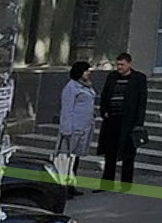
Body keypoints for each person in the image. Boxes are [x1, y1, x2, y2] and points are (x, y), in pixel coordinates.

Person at [98, 52, 148, 191]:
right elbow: (104, 95)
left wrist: (138, 123)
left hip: (129, 122)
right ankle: (107, 184)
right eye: (117, 64)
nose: (119, 67)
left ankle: (125, 185)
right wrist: (104, 111)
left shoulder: (139, 78)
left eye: (122, 64)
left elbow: (142, 102)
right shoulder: (112, 77)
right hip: (111, 120)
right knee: (110, 153)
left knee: (128, 155)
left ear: (129, 64)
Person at [56, 61, 97, 197]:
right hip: (73, 128)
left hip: (84, 128)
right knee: (67, 159)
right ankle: (64, 187)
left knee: (75, 158)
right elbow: (66, 109)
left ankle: (71, 185)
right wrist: (66, 129)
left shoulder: (87, 86)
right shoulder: (71, 87)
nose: (88, 73)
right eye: (86, 70)